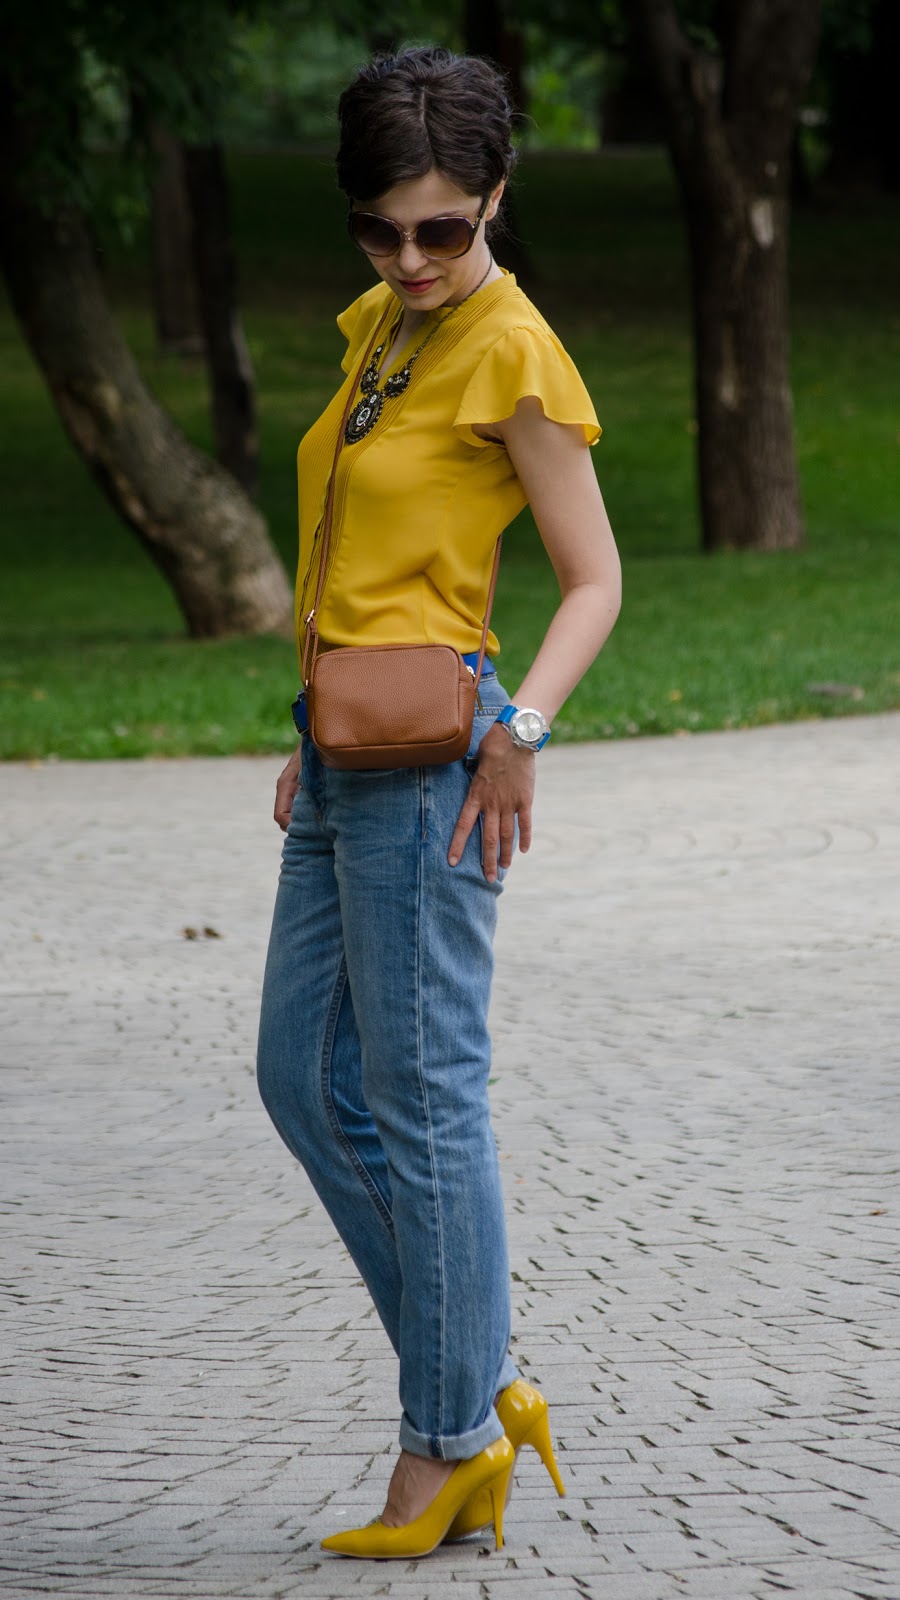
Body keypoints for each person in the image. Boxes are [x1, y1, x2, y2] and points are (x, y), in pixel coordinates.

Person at [256, 45, 622, 1561]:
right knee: (297, 1075)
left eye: (442, 231)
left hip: (441, 763)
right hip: (347, 743)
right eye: (381, 229)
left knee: (423, 1103)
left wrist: (520, 729)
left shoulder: (510, 349)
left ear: (494, 203)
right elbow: (349, 539)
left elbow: (595, 579)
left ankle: (449, 1440)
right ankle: (477, 1386)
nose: (410, 260)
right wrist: (309, 715)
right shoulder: (384, 334)